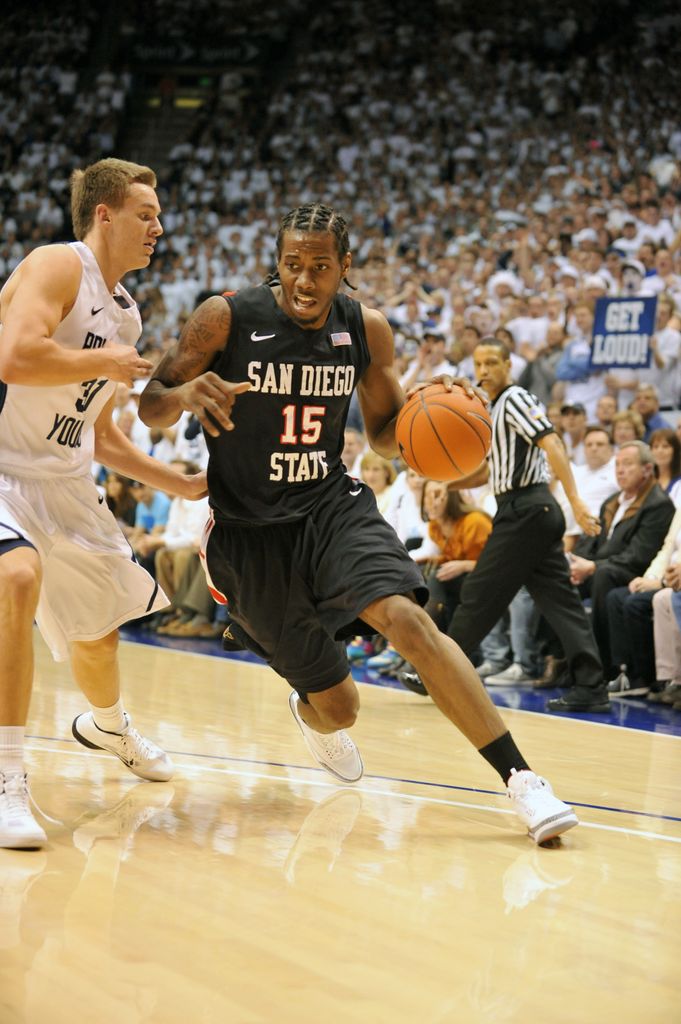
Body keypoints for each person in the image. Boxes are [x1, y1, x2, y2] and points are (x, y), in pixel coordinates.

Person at [138, 202, 579, 845]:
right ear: (277, 264)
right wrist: (182, 395)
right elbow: (151, 404)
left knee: (409, 621)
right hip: (251, 531)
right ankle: (306, 700)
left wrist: (440, 405)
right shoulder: (225, 317)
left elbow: (385, 439)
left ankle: (523, 781)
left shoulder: (366, 328)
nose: (305, 281)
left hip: (329, 506)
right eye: (292, 265)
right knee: (339, 708)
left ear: (345, 267)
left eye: (321, 267)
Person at [0, 158, 208, 850]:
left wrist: (174, 482)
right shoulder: (57, 266)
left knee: (97, 634)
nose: (158, 226)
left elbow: (101, 433)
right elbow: (16, 356)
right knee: (17, 577)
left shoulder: (126, 313)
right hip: (3, 468)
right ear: (105, 215)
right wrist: (104, 363)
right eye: (146, 214)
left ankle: (108, 726)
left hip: (63, 481)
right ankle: (8, 779)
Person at [441, 337, 610, 714]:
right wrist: (447, 482)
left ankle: (439, 671)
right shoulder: (494, 407)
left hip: (527, 509)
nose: (483, 371)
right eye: (478, 364)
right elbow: (489, 471)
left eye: (491, 363)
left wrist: (577, 501)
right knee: (561, 604)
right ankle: (591, 685)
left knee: (480, 592)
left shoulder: (517, 399)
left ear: (508, 366)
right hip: (522, 510)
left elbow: (552, 444)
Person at [568, 441, 675, 683]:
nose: (620, 470)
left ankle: (604, 668)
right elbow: (591, 539)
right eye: (617, 465)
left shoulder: (658, 504)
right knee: (558, 580)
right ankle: (561, 663)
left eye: (627, 464)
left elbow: (638, 555)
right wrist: (578, 562)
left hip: (633, 572)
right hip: (605, 567)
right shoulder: (612, 501)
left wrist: (593, 567)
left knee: (604, 577)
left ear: (647, 469)